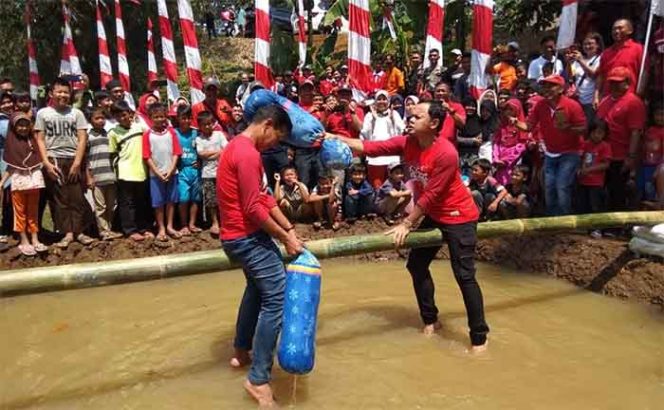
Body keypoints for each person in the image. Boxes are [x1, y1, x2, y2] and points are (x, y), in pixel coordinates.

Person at [329, 101, 489, 351]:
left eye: (417, 116)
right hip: (434, 213)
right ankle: (431, 320)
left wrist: (406, 223)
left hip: (459, 216)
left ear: (434, 123)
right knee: (416, 265)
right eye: (409, 115)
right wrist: (332, 137)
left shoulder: (447, 153)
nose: (410, 119)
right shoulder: (407, 143)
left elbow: (432, 194)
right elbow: (370, 147)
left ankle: (479, 337)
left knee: (464, 276)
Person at [218, 104, 303, 407]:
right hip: (247, 238)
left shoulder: (239, 148)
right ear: (267, 125)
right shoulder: (247, 153)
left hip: (239, 236)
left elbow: (265, 198)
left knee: (256, 290)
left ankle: (242, 351)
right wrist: (285, 238)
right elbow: (253, 208)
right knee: (277, 300)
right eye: (277, 138)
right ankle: (258, 379)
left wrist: (289, 229)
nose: (275, 145)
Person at [512, 74, 586, 216]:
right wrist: (515, 122)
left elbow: (583, 128)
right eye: (544, 86)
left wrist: (567, 129)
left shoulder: (572, 105)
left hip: (569, 152)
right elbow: (528, 126)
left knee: (562, 186)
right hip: (550, 152)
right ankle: (552, 220)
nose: (546, 89)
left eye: (551, 86)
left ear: (560, 89)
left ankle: (565, 220)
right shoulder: (541, 105)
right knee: (549, 186)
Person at [34, 77, 95, 248]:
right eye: (59, 91)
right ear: (52, 93)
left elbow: (82, 138)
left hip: (73, 158)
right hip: (54, 159)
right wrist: (46, 162)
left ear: (71, 94)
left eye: (66, 92)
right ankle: (67, 233)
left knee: (76, 197)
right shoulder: (43, 113)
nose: (62, 95)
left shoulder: (77, 114)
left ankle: (80, 232)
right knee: (60, 198)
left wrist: (77, 162)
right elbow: (40, 139)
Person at [596, 66, 646, 211]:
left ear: (627, 82)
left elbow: (636, 132)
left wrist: (630, 157)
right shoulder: (605, 100)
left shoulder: (633, 103)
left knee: (617, 192)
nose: (614, 85)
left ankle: (615, 228)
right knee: (600, 191)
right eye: (611, 82)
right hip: (602, 155)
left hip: (620, 155)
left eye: (618, 82)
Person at [3, 112, 47, 256]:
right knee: (20, 212)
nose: (23, 128)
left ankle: (35, 238)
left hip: (34, 180)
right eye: (19, 125)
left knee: (33, 211)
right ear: (14, 127)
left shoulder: (33, 141)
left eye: (25, 125)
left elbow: (41, 156)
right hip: (19, 183)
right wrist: (2, 182)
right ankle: (24, 240)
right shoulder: (11, 144)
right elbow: (10, 167)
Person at [109, 101, 153, 241]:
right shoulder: (113, 133)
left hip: (142, 171)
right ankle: (130, 230)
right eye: (118, 116)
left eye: (124, 114)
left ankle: (143, 228)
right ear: (114, 117)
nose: (122, 118)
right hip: (125, 172)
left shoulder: (140, 128)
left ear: (129, 114)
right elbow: (112, 154)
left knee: (142, 202)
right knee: (127, 203)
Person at [142, 103, 182, 241]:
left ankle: (170, 226)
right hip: (155, 175)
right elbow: (147, 156)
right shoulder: (147, 135)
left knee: (171, 201)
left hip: (172, 173)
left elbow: (177, 153)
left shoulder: (171, 132)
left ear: (166, 117)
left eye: (161, 116)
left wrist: (171, 170)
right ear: (150, 118)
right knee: (158, 203)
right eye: (156, 117)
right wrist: (158, 173)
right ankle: (161, 228)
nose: (159, 119)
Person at [85, 107, 122, 241]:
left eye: (102, 118)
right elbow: (86, 159)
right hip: (97, 177)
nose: (101, 121)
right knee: (100, 207)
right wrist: (89, 177)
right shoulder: (88, 137)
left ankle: (109, 228)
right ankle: (103, 231)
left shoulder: (110, 135)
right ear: (91, 120)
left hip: (111, 176)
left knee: (111, 205)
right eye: (97, 118)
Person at [360, 90, 405, 188]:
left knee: (394, 188)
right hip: (375, 159)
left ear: (388, 101)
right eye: (379, 99)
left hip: (392, 158)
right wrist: (374, 119)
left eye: (384, 99)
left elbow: (400, 134)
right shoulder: (369, 116)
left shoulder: (395, 114)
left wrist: (393, 119)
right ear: (375, 101)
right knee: (377, 188)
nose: (381, 101)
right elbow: (365, 136)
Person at [595, 18, 645, 100]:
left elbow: (644, 72)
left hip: (629, 98)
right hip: (608, 98)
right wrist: (596, 95)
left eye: (620, 28)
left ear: (630, 30)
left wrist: (639, 94)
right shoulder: (606, 53)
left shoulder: (639, 49)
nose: (616, 31)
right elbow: (601, 75)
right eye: (614, 29)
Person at [195, 111, 227, 235]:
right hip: (207, 173)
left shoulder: (219, 135)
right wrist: (218, 152)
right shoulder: (199, 138)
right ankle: (215, 222)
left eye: (209, 124)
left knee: (224, 198)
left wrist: (212, 154)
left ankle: (225, 221)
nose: (207, 126)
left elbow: (226, 148)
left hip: (222, 172)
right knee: (211, 200)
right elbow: (201, 154)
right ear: (200, 126)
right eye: (204, 124)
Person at [577, 119, 611, 233]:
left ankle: (597, 228)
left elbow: (606, 164)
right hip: (583, 181)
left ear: (604, 134)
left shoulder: (605, 146)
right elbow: (580, 158)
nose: (597, 135)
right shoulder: (585, 144)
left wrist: (589, 169)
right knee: (582, 204)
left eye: (600, 133)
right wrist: (580, 170)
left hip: (596, 182)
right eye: (594, 132)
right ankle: (583, 226)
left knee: (595, 206)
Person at [174, 105, 202, 236]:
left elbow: (202, 148)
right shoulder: (174, 133)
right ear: (178, 119)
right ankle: (183, 224)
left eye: (188, 118)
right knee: (183, 198)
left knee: (195, 198)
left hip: (195, 170)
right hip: (181, 171)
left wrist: (200, 161)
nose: (186, 121)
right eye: (183, 118)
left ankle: (192, 223)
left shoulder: (196, 132)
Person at [567, 33, 603, 124]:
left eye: (590, 44)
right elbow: (571, 76)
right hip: (577, 98)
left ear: (597, 45)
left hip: (590, 100)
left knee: (586, 125)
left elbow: (594, 75)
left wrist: (580, 61)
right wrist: (568, 63)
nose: (587, 46)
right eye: (585, 44)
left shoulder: (600, 59)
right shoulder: (579, 59)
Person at [492, 99, 527, 186]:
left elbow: (521, 146)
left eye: (511, 110)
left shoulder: (521, 126)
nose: (508, 112)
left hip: (513, 161)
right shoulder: (502, 126)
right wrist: (496, 158)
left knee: (512, 180)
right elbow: (496, 143)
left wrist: (507, 160)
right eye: (506, 110)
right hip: (500, 160)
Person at [640, 103, 664, 207]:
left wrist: (659, 169)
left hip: (658, 167)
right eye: (657, 114)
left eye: (662, 115)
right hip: (646, 166)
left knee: (657, 193)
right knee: (647, 191)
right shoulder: (649, 130)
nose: (660, 118)